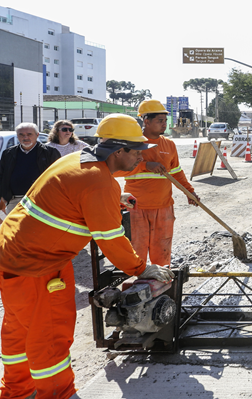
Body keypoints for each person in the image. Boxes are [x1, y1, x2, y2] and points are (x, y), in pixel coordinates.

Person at [0, 113, 173, 399]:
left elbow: (67, 194)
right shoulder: (98, 183)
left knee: (19, 326)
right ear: (119, 150)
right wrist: (142, 269)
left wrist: (112, 202)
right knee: (50, 333)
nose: (140, 159)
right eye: (137, 152)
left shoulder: (78, 161)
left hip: (12, 255)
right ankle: (58, 393)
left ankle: (17, 390)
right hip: (39, 265)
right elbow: (112, 241)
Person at [116, 100, 198, 266]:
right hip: (136, 207)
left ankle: (160, 285)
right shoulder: (132, 144)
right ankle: (136, 286)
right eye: (159, 121)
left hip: (163, 207)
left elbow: (176, 172)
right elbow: (117, 170)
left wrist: (189, 192)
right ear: (146, 121)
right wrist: (146, 165)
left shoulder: (169, 145)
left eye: (165, 121)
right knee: (135, 252)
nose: (164, 124)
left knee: (162, 252)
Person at [0, 123, 60, 220]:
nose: (25, 137)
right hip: (14, 200)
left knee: (38, 229)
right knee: (15, 230)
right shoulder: (8, 153)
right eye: (21, 135)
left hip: (41, 199)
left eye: (29, 134)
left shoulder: (50, 152)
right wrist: (2, 196)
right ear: (17, 136)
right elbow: (2, 175)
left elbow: (59, 175)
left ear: (37, 135)